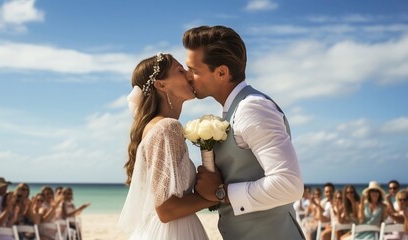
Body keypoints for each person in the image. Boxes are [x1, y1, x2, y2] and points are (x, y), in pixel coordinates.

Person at [183, 25, 304, 239]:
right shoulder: (232, 110)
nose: (187, 76)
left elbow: (288, 184)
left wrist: (222, 192)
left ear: (221, 72)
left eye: (193, 70)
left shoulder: (253, 108)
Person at [118, 53, 217, 239]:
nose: (189, 74)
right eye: (180, 70)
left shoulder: (155, 127)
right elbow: (166, 209)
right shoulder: (167, 127)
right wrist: (216, 195)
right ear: (161, 85)